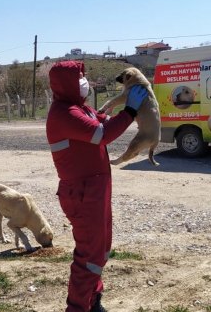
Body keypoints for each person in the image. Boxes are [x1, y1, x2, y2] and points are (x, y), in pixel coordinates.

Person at [46, 60, 148, 312]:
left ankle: (93, 300)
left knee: (99, 250)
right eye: (79, 77)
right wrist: (131, 110)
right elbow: (103, 133)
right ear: (67, 84)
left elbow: (105, 119)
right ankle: (79, 308)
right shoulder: (64, 114)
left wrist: (129, 104)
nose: (84, 81)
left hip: (94, 191)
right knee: (89, 256)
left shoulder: (80, 109)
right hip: (82, 194)